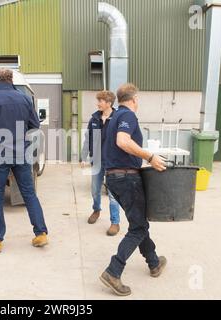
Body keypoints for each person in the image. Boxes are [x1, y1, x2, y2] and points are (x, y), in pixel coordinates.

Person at [99, 83, 168, 296]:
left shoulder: (114, 117)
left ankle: (154, 262)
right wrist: (149, 156)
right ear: (134, 99)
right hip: (126, 178)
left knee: (138, 222)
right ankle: (113, 270)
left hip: (113, 177)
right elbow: (122, 141)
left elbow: (117, 146)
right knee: (138, 228)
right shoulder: (128, 116)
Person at [0, 68, 48, 254]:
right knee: (29, 194)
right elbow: (35, 124)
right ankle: (41, 234)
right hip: (22, 153)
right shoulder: (24, 98)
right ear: (11, 79)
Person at [81, 91, 121, 236]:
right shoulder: (94, 119)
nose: (98, 103)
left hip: (112, 162)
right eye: (98, 100)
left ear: (109, 103)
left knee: (112, 194)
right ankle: (96, 210)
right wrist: (83, 156)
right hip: (97, 160)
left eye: (100, 101)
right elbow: (88, 138)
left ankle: (115, 222)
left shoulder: (117, 118)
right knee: (95, 189)